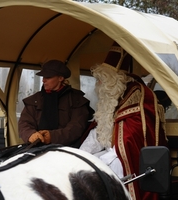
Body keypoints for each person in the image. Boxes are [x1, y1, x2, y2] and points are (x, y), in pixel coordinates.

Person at [80, 42, 168, 200]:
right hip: (109, 151)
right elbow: (100, 132)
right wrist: (80, 155)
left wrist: (100, 160)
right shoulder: (110, 99)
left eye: (102, 80)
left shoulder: (137, 94)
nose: (98, 85)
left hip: (127, 156)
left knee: (103, 170)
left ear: (114, 80)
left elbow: (131, 136)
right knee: (82, 166)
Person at [18, 59, 94, 147]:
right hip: (36, 148)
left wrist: (52, 137)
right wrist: (31, 135)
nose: (43, 80)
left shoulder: (77, 100)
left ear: (61, 78)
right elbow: (24, 123)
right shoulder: (34, 100)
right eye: (43, 77)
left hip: (69, 150)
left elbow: (76, 127)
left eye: (48, 77)